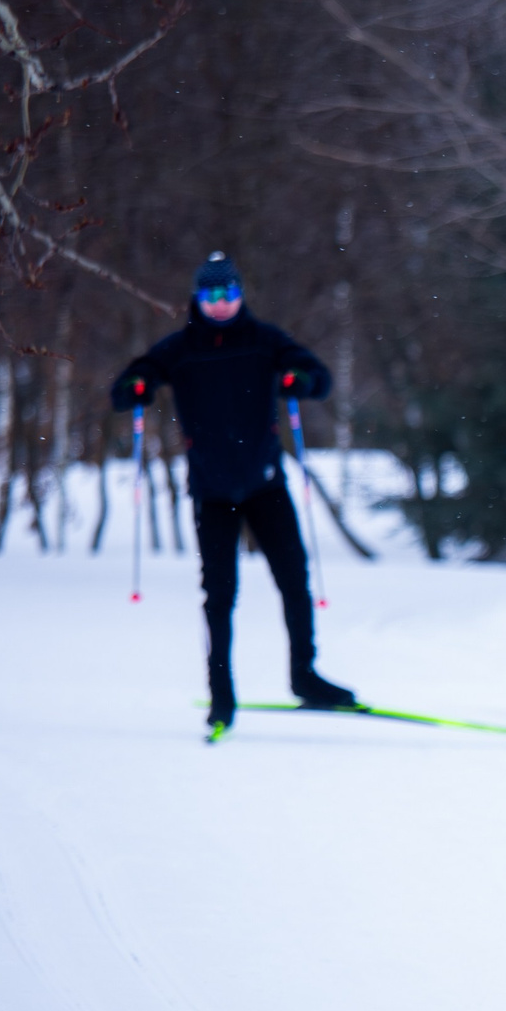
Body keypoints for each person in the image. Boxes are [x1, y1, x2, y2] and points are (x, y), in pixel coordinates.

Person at [110, 252, 351, 736]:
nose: (220, 305)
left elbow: (317, 377)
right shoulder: (181, 348)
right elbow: (130, 383)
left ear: (241, 295)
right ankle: (222, 697)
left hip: (265, 483)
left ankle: (305, 677)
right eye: (211, 296)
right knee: (219, 595)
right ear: (198, 299)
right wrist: (137, 386)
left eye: (229, 295)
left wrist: (298, 379)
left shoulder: (265, 342)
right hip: (212, 491)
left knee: (294, 581)